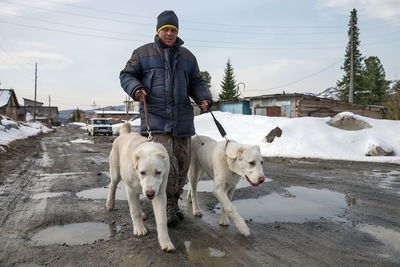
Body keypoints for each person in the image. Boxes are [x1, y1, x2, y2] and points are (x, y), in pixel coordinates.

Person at [120, 10, 212, 227]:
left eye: (173, 30)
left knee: (182, 166)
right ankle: (167, 207)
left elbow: (197, 82)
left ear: (177, 32)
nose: (169, 33)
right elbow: (126, 75)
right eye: (165, 29)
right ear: (158, 30)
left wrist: (204, 98)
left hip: (182, 121)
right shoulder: (142, 54)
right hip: (156, 120)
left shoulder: (188, 57)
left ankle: (173, 200)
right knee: (164, 165)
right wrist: (136, 89)